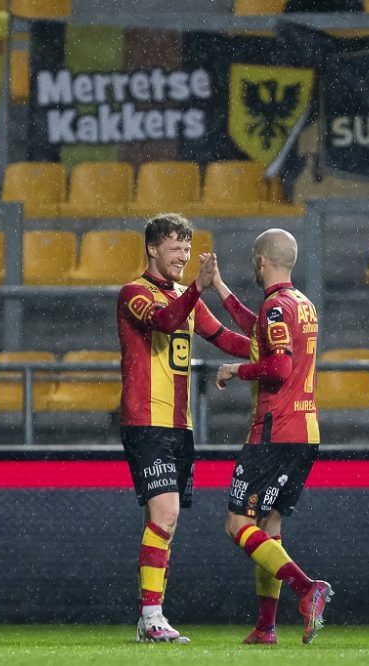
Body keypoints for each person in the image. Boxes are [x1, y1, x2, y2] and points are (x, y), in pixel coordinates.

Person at [117, 213, 251, 643]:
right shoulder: (134, 293)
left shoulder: (184, 296)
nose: (183, 256)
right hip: (146, 419)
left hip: (180, 425)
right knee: (166, 514)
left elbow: (224, 338)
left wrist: (270, 347)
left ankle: (149, 617)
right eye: (175, 248)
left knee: (163, 522)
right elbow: (163, 321)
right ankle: (153, 616)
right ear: (153, 248)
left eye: (188, 249)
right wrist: (197, 287)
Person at [213, 228, 332, 646]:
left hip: (274, 431)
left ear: (261, 260)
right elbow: (259, 328)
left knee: (237, 523)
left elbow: (278, 368)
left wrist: (236, 371)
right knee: (269, 526)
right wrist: (221, 288)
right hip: (306, 431)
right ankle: (266, 627)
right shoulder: (301, 305)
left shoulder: (276, 308)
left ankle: (306, 588)